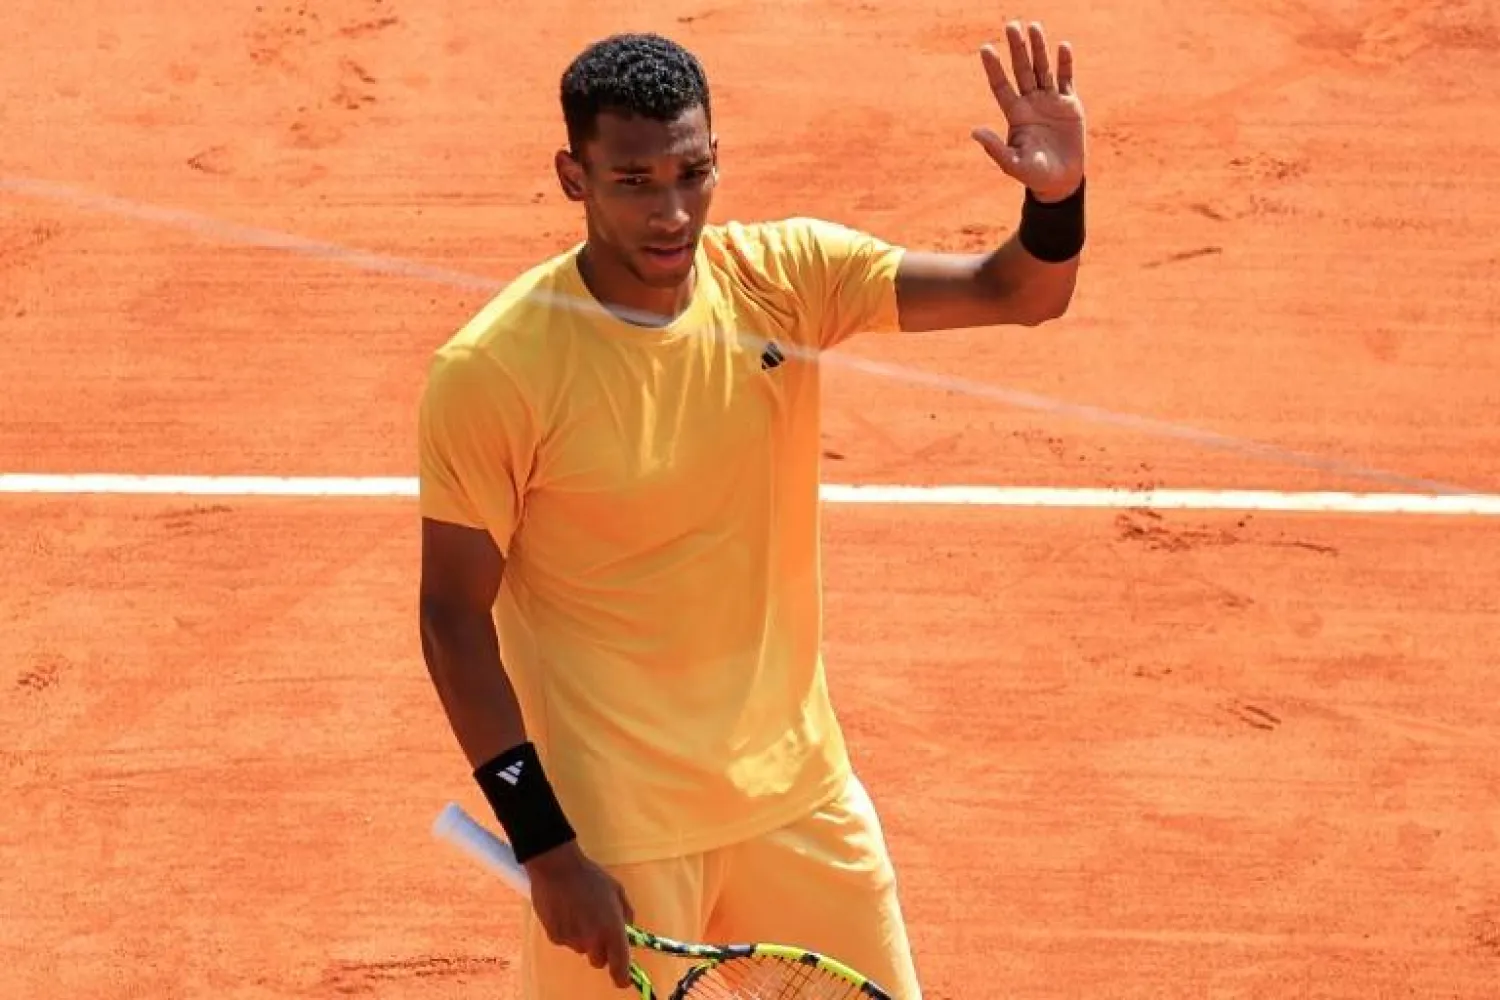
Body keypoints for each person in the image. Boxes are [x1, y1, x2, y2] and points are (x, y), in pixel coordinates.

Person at [416, 19, 1085, 999]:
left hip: (798, 804)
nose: (670, 211)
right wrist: (549, 848)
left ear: (717, 159)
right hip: (618, 833)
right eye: (633, 181)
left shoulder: (784, 279)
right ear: (575, 176)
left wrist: (1055, 200)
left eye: (690, 174)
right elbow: (451, 618)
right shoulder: (494, 371)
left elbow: (1016, 291)